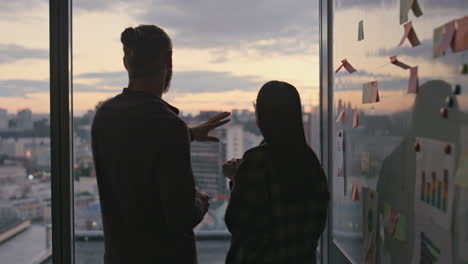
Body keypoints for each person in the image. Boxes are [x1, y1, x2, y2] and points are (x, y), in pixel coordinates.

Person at [91, 25, 230, 264]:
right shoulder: (168, 126)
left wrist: (189, 134)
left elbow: (136, 143)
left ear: (126, 61)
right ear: (169, 59)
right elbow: (182, 218)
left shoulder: (104, 115)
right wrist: (200, 200)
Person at [223, 81, 329, 264]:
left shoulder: (256, 161)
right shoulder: (311, 162)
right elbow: (317, 223)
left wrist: (236, 177)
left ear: (263, 115)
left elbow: (237, 222)